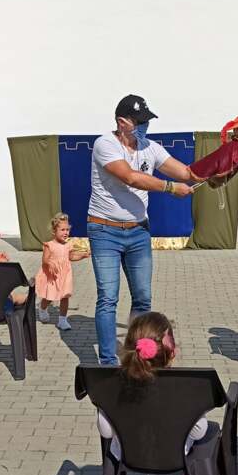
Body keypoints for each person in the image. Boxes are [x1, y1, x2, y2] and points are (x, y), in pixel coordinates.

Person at [88, 94, 194, 365]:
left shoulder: (150, 147)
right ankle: (108, 362)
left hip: (138, 232)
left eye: (147, 121)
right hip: (104, 231)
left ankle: (137, 356)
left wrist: (223, 164)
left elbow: (186, 173)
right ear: (122, 122)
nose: (145, 126)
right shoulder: (105, 144)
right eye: (140, 121)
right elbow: (130, 177)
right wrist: (170, 188)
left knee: (143, 299)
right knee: (108, 299)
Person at [96, 312, 207, 475]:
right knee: (205, 436)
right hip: (175, 453)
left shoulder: (113, 386)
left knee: (133, 436)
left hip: (129, 453)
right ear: (172, 352)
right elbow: (199, 431)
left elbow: (105, 430)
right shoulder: (182, 387)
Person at [36, 213, 89, 331]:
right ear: (54, 231)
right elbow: (45, 260)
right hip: (53, 275)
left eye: (67, 230)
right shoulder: (49, 245)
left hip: (65, 275)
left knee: (65, 296)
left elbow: (71, 256)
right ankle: (42, 308)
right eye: (62, 230)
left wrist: (83, 255)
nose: (65, 233)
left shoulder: (68, 244)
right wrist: (50, 264)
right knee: (50, 296)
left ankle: (62, 320)